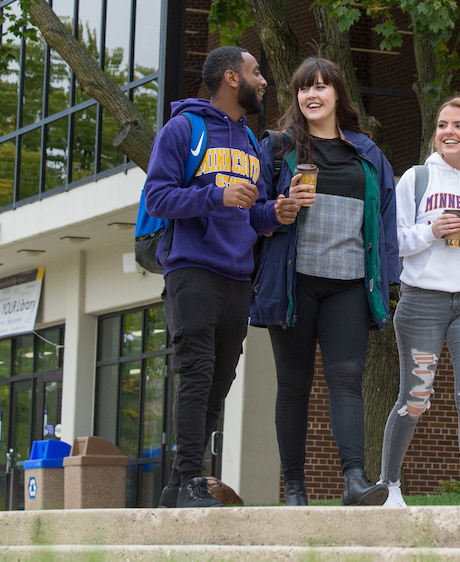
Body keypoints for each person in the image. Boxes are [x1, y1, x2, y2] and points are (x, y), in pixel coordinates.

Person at [145, 45, 296, 508]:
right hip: (192, 270)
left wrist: (275, 214)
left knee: (218, 381)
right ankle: (192, 479)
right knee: (196, 372)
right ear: (232, 78)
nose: (264, 80)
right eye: (256, 72)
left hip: (237, 277)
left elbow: (247, 215)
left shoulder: (252, 141)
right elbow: (157, 198)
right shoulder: (183, 129)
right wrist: (217, 196)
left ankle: (176, 487)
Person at [249, 57, 399, 506]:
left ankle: (355, 480)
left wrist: (389, 283)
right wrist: (280, 207)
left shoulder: (368, 154)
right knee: (293, 385)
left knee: (347, 380)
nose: (312, 95)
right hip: (293, 285)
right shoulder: (277, 149)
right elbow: (252, 215)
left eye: (321, 86)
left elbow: (385, 222)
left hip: (350, 285)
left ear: (338, 94)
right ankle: (294, 488)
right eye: (303, 88)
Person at [377, 96, 460, 508]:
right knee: (415, 398)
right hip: (421, 302)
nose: (448, 132)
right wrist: (430, 231)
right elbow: (392, 243)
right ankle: (390, 486)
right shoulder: (416, 179)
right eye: (442, 125)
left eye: (458, 125)